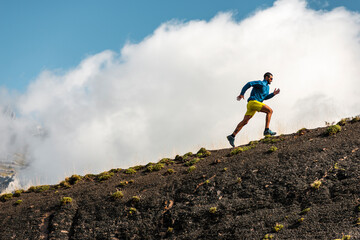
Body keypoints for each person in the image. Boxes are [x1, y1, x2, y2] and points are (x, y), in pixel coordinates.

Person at [227, 72, 280, 147]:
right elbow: (249, 84)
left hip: (253, 105)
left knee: (245, 121)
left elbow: (265, 97)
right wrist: (242, 93)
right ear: (266, 77)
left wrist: (273, 94)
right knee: (270, 111)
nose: (272, 80)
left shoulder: (267, 87)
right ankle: (267, 130)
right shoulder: (261, 83)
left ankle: (232, 136)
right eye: (271, 78)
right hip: (253, 102)